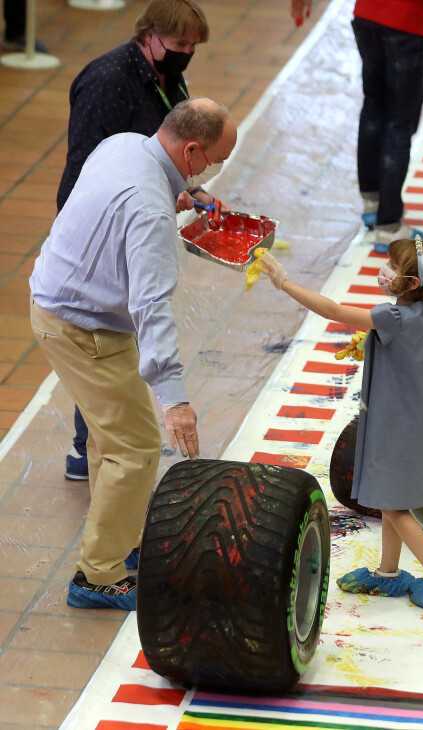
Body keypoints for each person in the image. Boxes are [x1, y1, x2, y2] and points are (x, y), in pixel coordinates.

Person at [30, 97, 238, 610]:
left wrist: (181, 196)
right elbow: (151, 309)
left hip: (63, 300)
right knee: (137, 448)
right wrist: (176, 400)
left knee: (113, 440)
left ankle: (120, 543)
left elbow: (122, 206)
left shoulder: (125, 145)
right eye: (211, 161)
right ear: (191, 149)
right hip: (83, 328)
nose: (210, 170)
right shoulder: (149, 212)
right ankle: (97, 576)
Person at [259, 237, 423, 612]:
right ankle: (388, 573)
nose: (384, 268)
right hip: (416, 427)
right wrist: (373, 342)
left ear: (411, 284)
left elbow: (333, 310)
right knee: (394, 502)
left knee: (393, 509)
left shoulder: (392, 318)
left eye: (393, 265)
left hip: (396, 431)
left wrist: (284, 283)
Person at [56, 0, 217, 482]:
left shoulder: (165, 76)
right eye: (181, 44)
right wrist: (175, 399)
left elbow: (168, 147)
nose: (187, 53)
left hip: (141, 205)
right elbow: (88, 166)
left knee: (117, 334)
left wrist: (192, 188)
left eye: (193, 46)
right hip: (102, 220)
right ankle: (88, 449)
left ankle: (96, 444)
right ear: (150, 34)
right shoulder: (107, 82)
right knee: (101, 335)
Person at [289, 0, 423, 253]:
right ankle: (388, 227)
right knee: (398, 125)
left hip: (366, 18)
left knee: (374, 108)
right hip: (406, 26)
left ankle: (372, 204)